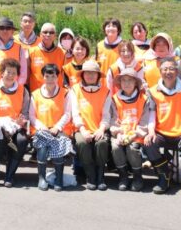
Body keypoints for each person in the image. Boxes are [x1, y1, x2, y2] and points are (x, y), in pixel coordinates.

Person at [144, 58, 181, 199]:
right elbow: (152, 113)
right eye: (165, 69)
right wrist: (151, 131)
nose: (168, 72)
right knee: (148, 142)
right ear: (160, 72)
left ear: (177, 71)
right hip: (162, 133)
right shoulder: (153, 91)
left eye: (171, 69)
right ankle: (165, 174)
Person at [0, 58, 30, 189]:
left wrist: (21, 121)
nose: (10, 75)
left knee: (21, 141)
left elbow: (25, 113)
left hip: (16, 127)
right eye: (8, 72)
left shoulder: (23, 91)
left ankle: (9, 176)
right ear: (2, 73)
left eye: (14, 73)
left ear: (17, 75)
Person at [69, 61, 112, 191]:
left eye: (94, 73)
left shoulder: (106, 91)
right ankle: (91, 176)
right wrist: (82, 129)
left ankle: (100, 176)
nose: (90, 75)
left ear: (98, 75)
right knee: (82, 143)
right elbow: (75, 113)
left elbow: (106, 114)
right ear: (82, 75)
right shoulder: (75, 89)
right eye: (87, 73)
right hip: (81, 128)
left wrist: (101, 129)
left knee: (102, 143)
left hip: (99, 128)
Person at [30, 64, 74, 191]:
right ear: (43, 77)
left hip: (58, 130)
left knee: (58, 143)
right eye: (47, 76)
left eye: (53, 76)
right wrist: (41, 126)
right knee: (42, 147)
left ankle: (59, 178)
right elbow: (32, 116)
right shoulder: (35, 94)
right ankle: (42, 178)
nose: (50, 79)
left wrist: (57, 127)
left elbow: (67, 113)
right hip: (42, 130)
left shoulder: (65, 93)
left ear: (57, 77)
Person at [110, 69, 149, 191]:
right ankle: (123, 176)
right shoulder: (115, 99)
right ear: (120, 83)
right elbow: (113, 119)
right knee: (116, 146)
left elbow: (145, 121)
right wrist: (118, 133)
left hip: (138, 133)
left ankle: (137, 177)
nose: (126, 83)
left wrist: (134, 134)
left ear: (136, 83)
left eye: (130, 80)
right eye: (123, 80)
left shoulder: (144, 98)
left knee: (132, 147)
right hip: (121, 132)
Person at [0, 17, 27, 91]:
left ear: (12, 31)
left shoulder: (19, 48)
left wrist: (17, 87)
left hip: (15, 90)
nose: (5, 30)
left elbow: (23, 72)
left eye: (8, 28)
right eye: (2, 28)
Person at [27, 22, 65, 92]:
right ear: (40, 35)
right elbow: (26, 75)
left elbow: (65, 74)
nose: (48, 34)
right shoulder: (31, 52)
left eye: (51, 32)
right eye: (45, 32)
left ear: (55, 36)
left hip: (57, 94)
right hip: (36, 95)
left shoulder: (62, 53)